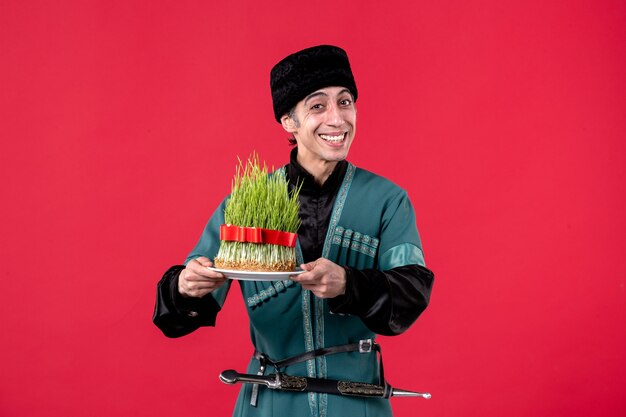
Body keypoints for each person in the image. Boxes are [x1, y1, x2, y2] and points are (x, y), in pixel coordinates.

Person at [153, 45, 434, 417]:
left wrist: (350, 284)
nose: (337, 119)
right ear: (289, 121)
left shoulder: (388, 200)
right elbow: (178, 314)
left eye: (345, 102)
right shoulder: (243, 204)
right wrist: (184, 287)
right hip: (270, 401)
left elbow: (412, 291)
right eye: (318, 106)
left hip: (358, 401)